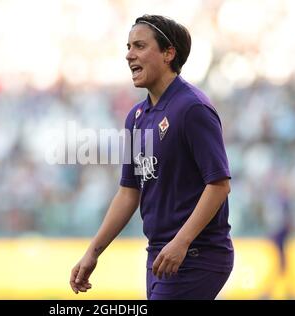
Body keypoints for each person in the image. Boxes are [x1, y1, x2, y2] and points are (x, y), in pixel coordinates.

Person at [70, 14, 234, 300]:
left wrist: (181, 242)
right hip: (159, 255)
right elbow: (128, 192)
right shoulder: (136, 117)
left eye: (139, 46)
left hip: (196, 254)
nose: (129, 55)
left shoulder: (192, 109)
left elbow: (219, 185)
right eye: (128, 46)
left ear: (169, 53)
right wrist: (93, 252)